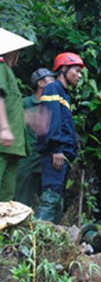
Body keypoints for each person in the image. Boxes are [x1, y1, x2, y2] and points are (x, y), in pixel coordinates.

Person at [37, 53, 84, 224]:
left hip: (62, 154)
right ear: (63, 69)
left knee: (57, 197)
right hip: (55, 154)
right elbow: (52, 121)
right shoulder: (53, 89)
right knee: (51, 196)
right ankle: (38, 240)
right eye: (76, 71)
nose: (79, 76)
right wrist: (56, 149)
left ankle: (52, 242)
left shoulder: (64, 94)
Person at [0, 28, 34, 201]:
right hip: (3, 143)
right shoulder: (0, 67)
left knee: (6, 197)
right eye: (17, 51)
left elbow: (9, 106)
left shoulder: (7, 72)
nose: (18, 56)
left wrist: (29, 119)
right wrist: (5, 128)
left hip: (12, 146)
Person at [15, 68, 55, 207]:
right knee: (21, 196)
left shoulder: (54, 104)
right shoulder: (25, 103)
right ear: (41, 83)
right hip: (28, 157)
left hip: (48, 157)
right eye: (52, 80)